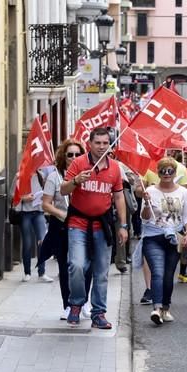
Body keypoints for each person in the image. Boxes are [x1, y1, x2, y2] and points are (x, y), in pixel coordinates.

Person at [60, 127, 128, 328]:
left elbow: (118, 197)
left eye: (105, 143)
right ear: (89, 144)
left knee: (101, 271)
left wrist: (123, 225)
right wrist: (75, 181)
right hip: (78, 223)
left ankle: (98, 313)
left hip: (102, 224)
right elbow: (63, 189)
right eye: (97, 143)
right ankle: (76, 303)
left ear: (109, 144)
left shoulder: (115, 168)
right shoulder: (79, 163)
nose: (101, 147)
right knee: (77, 265)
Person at [39, 139, 90, 320]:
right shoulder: (55, 177)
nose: (74, 157)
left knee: (84, 265)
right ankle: (68, 305)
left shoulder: (88, 174)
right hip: (61, 226)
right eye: (70, 154)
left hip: (84, 224)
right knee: (65, 265)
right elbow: (45, 204)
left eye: (78, 154)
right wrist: (62, 214)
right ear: (64, 156)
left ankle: (83, 302)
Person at [140, 157, 187, 325]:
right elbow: (144, 217)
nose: (166, 174)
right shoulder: (150, 190)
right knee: (158, 272)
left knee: (169, 275)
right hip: (153, 236)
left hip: (174, 237)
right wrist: (147, 204)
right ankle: (156, 307)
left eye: (170, 171)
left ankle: (165, 307)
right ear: (158, 173)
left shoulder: (182, 192)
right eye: (163, 171)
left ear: (175, 173)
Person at [12, 169, 53, 283]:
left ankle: (42, 272)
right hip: (25, 214)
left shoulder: (42, 175)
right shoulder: (19, 176)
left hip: (39, 213)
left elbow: (50, 192)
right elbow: (13, 194)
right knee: (27, 243)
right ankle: (27, 272)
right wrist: (24, 198)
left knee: (42, 241)